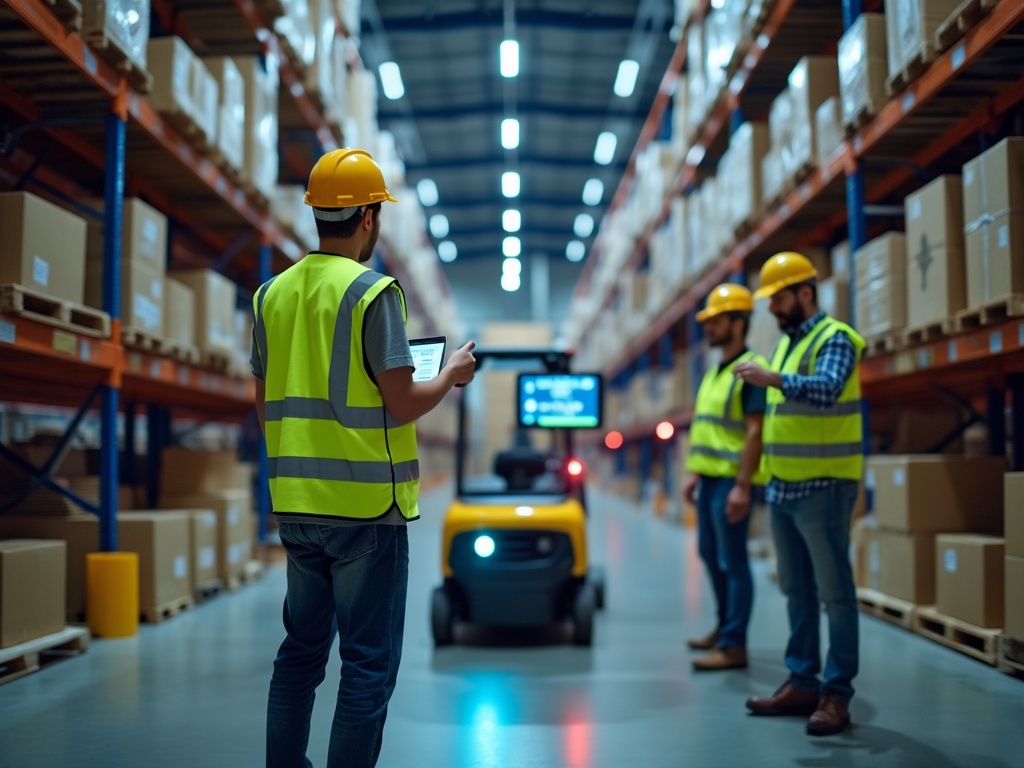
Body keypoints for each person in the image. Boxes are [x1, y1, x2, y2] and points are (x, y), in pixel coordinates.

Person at [250, 147, 477, 768]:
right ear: (370, 217)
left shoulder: (271, 294)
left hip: (296, 507)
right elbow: (402, 403)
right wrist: (451, 375)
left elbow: (266, 403)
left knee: (299, 655)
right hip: (363, 512)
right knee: (366, 666)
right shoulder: (373, 293)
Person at [733, 251, 864, 737]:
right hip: (785, 488)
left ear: (806, 292)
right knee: (797, 593)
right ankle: (803, 682)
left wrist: (772, 378)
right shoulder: (787, 344)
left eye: (779, 298)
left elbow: (828, 389)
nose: (772, 309)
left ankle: (836, 695)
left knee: (835, 594)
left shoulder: (836, 339)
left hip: (825, 487)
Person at [683, 283, 768, 672]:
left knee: (733, 562)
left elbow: (755, 431)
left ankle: (735, 646)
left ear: (738, 322)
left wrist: (743, 485)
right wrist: (693, 474)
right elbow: (707, 430)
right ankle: (723, 628)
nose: (708, 328)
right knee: (708, 553)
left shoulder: (749, 370)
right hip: (709, 480)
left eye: (715, 321)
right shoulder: (715, 371)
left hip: (731, 482)